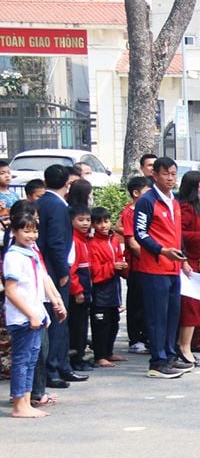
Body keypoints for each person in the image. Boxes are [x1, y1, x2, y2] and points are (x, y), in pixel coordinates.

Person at [4, 209, 66, 418]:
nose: (31, 235)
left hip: (35, 315)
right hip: (23, 317)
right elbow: (11, 291)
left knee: (32, 360)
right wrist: (31, 314)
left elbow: (40, 285)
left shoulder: (31, 253)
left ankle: (27, 401)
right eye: (26, 231)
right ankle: (19, 404)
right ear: (14, 231)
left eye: (34, 231)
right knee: (22, 360)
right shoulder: (13, 256)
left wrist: (46, 311)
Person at [135, 157, 190, 379]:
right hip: (154, 268)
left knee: (172, 315)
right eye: (165, 173)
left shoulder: (174, 201)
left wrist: (183, 259)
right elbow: (140, 233)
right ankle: (157, 361)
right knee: (158, 316)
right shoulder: (147, 201)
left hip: (173, 268)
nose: (170, 178)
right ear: (154, 175)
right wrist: (160, 250)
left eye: (173, 173)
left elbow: (177, 235)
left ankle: (169, 355)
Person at [36, 164, 87, 387]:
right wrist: (63, 272)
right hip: (55, 271)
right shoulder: (55, 206)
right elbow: (56, 242)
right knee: (57, 318)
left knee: (61, 320)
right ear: (67, 183)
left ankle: (63, 365)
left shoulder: (43, 202)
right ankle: (54, 368)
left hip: (50, 269)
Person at [177, 170, 200, 366]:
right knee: (190, 306)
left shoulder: (196, 208)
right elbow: (178, 234)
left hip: (196, 260)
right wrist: (199, 236)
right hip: (187, 261)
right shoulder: (186, 208)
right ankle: (184, 346)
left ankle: (193, 342)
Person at [87, 207, 127, 367]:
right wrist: (113, 266)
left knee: (113, 322)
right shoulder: (92, 244)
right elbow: (95, 271)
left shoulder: (113, 240)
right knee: (101, 325)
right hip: (100, 291)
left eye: (106, 221)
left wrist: (122, 267)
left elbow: (118, 258)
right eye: (99, 223)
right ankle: (100, 355)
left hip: (113, 289)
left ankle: (108, 352)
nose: (103, 225)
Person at [121, 177, 150, 354]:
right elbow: (132, 242)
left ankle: (145, 336)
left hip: (147, 265)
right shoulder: (129, 212)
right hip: (137, 265)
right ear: (136, 193)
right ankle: (135, 338)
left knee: (146, 304)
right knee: (136, 303)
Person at [67, 205, 93, 372]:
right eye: (81, 220)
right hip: (78, 291)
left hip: (85, 287)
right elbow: (71, 270)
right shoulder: (74, 241)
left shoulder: (84, 239)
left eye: (88, 220)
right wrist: (77, 290)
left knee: (83, 325)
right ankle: (75, 359)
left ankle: (80, 357)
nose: (85, 223)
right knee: (76, 327)